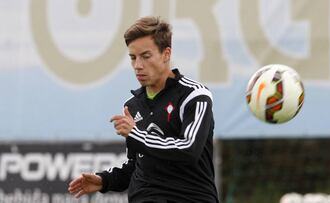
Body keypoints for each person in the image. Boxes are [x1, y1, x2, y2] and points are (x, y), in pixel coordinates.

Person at [68, 16, 219, 203]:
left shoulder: (195, 96)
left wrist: (136, 134)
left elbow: (188, 149)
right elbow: (137, 165)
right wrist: (104, 181)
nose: (138, 65)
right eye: (133, 58)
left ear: (166, 54)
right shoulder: (132, 105)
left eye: (146, 56)